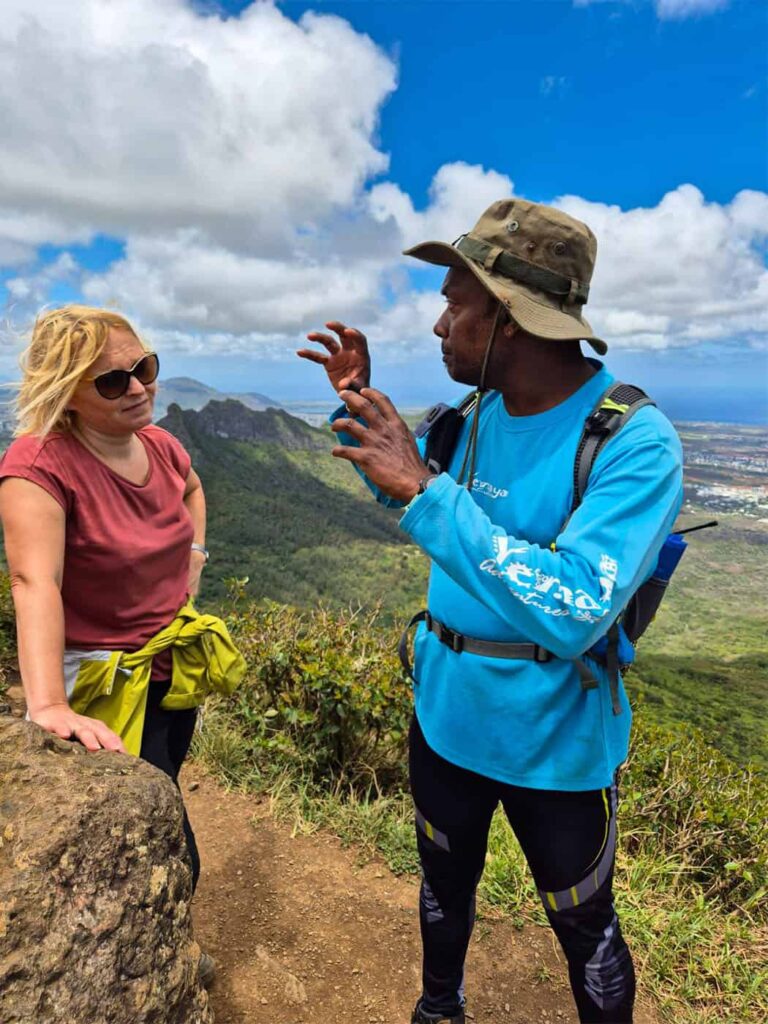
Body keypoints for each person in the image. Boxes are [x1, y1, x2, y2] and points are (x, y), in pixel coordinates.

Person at [298, 199, 684, 1024]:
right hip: (448, 718)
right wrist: (359, 401)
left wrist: (428, 489)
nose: (440, 325)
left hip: (557, 747)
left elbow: (578, 604)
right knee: (443, 883)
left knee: (582, 921)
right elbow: (403, 489)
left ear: (508, 321)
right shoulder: (471, 418)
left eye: (455, 304)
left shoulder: (631, 441)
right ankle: (440, 1009)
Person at [0, 305, 244, 986]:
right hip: (101, 684)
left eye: (145, 368)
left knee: (162, 790)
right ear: (65, 390)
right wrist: (46, 705)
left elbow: (193, 489)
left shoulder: (162, 446)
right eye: (113, 381)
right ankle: (156, 958)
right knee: (157, 838)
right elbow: (33, 581)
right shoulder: (39, 465)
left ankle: (162, 945)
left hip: (169, 670)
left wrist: (194, 554)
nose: (138, 387)